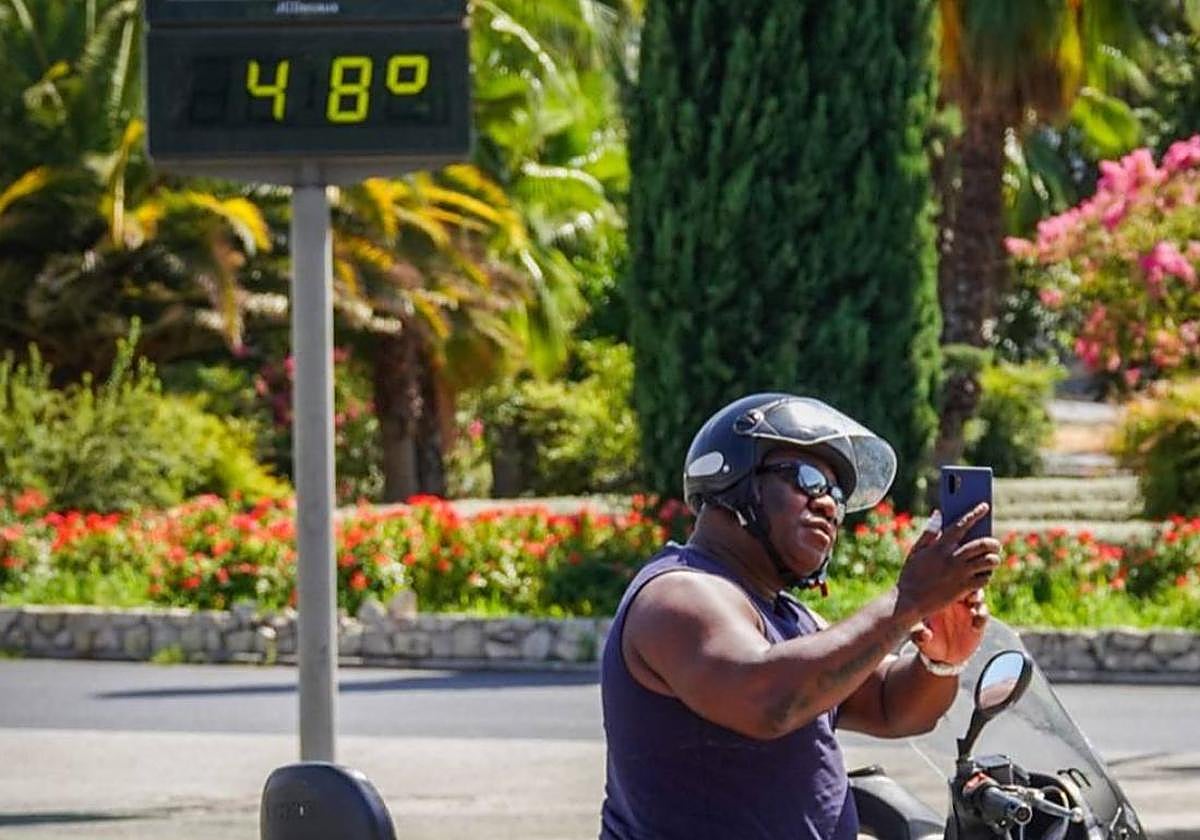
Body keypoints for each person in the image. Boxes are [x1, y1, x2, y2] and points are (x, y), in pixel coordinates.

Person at [599, 393, 1001, 839]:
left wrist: (940, 660)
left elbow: (891, 706)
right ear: (736, 478)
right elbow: (768, 702)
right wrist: (908, 601)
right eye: (809, 480)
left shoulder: (787, 615)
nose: (829, 505)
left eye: (837, 496)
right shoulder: (679, 595)